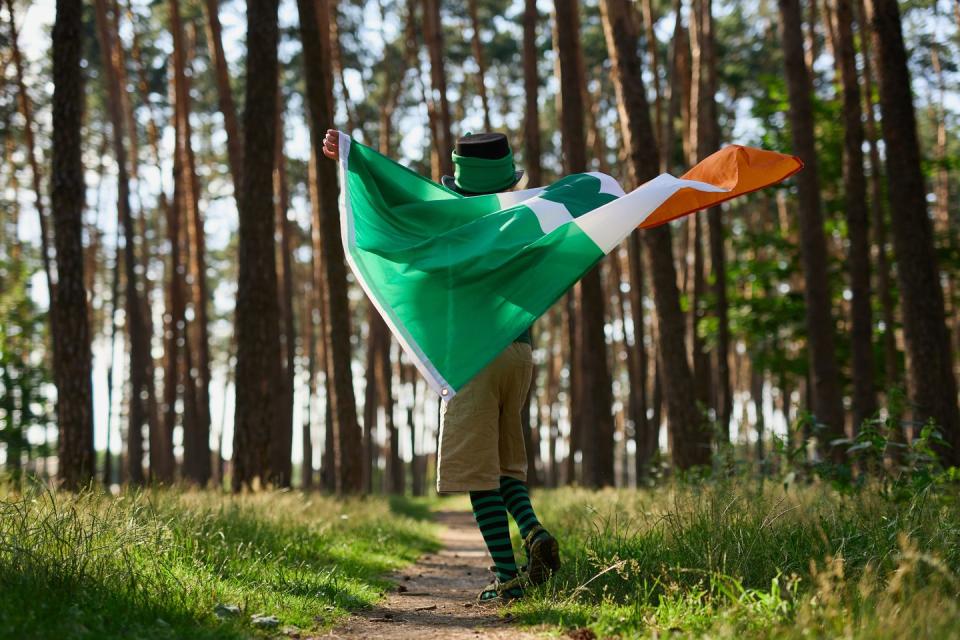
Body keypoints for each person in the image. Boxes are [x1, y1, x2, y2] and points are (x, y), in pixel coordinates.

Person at [322, 128, 560, 604]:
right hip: (519, 355)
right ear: (508, 180)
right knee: (505, 464)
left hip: (474, 357)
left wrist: (354, 159)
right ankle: (532, 532)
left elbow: (395, 211)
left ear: (458, 179)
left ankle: (508, 577)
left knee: (476, 472)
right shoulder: (522, 220)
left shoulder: (445, 223)